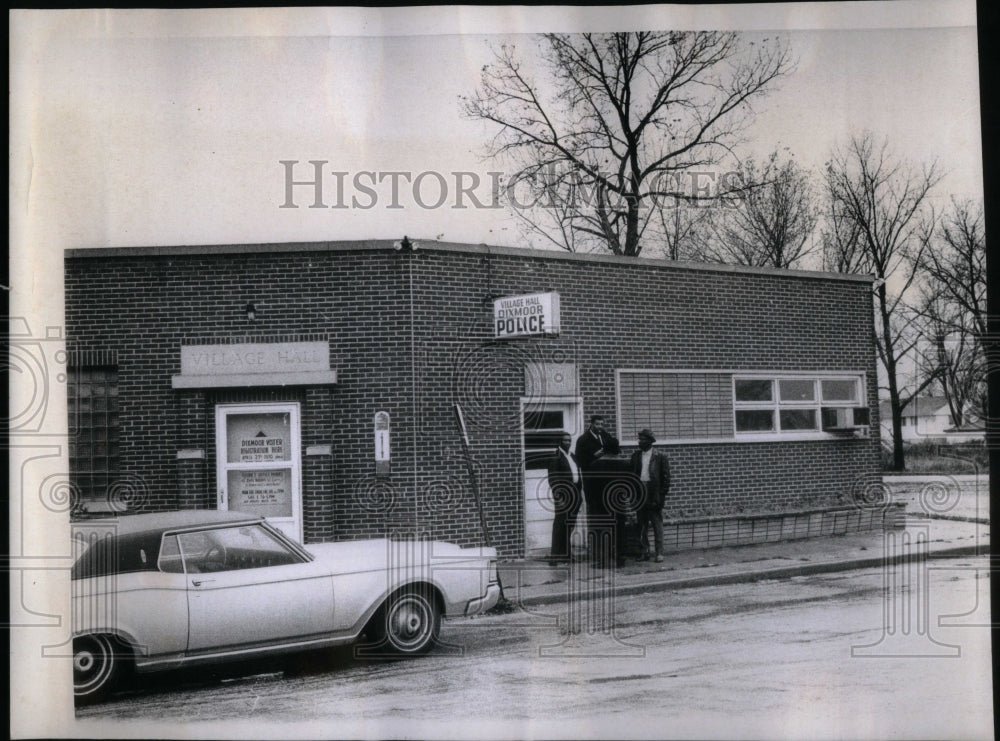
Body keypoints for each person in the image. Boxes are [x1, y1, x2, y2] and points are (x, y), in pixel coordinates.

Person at [574, 415, 622, 566]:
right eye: (597, 424)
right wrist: (593, 456)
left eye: (602, 424)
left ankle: (612, 556)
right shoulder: (583, 440)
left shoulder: (605, 436)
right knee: (597, 520)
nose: (600, 426)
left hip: (607, 484)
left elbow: (615, 448)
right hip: (592, 485)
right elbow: (579, 461)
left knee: (610, 520)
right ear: (591, 424)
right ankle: (598, 557)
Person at [631, 428, 671, 563]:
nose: (639, 442)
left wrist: (661, 496)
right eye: (639, 439)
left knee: (656, 524)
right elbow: (632, 476)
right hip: (640, 491)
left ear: (650, 441)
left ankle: (659, 552)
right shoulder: (636, 456)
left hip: (654, 493)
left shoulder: (660, 456)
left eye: (642, 439)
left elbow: (666, 479)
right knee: (641, 524)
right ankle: (644, 551)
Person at [547, 432, 583, 565]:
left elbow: (577, 474)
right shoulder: (555, 456)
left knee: (569, 525)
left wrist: (579, 496)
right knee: (559, 525)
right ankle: (554, 557)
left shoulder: (572, 456)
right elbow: (553, 478)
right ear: (560, 442)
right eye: (565, 441)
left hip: (575, 494)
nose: (568, 442)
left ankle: (566, 554)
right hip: (563, 495)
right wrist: (559, 497)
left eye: (569, 440)